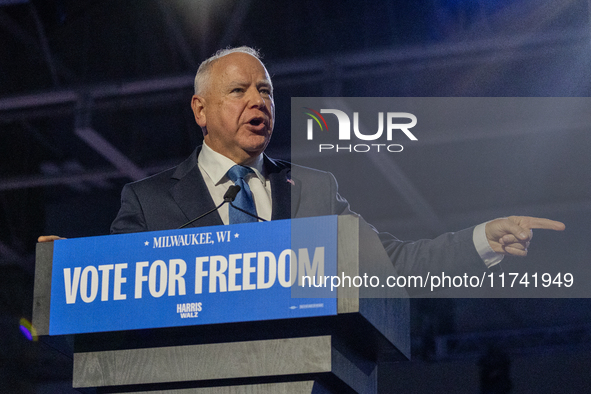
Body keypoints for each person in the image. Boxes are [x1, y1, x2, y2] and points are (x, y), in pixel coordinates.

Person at [39, 46, 565, 276]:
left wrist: (482, 238)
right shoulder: (149, 201)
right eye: (239, 91)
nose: (259, 102)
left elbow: (395, 264)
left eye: (266, 91)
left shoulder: (314, 191)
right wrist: (67, 271)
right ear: (201, 109)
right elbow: (117, 282)